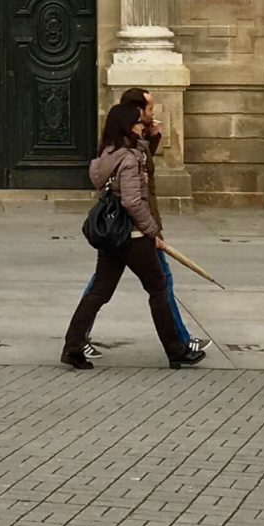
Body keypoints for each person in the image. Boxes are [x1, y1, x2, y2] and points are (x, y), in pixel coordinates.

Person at [63, 96, 204, 370]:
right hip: (133, 236)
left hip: (112, 236)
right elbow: (131, 201)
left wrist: (154, 135)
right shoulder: (128, 159)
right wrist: (151, 230)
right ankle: (176, 350)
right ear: (128, 126)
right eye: (139, 123)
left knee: (100, 292)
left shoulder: (108, 154)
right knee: (159, 288)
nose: (142, 126)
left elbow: (143, 155)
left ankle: (72, 347)